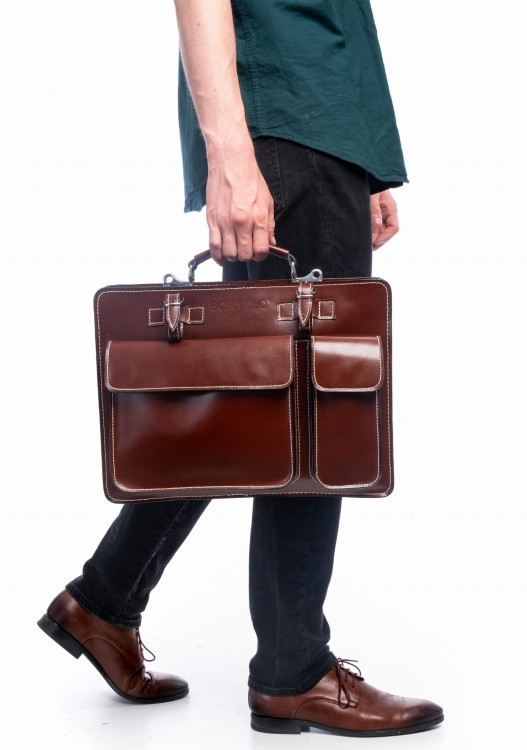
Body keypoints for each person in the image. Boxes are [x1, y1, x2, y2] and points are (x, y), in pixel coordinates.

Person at [38, 0, 444, 737]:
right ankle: (293, 670)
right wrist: (230, 156)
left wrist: (363, 162)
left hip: (317, 133)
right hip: (288, 126)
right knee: (312, 408)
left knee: (257, 398)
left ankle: (103, 600)